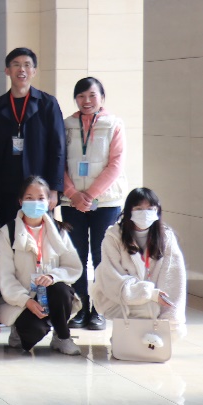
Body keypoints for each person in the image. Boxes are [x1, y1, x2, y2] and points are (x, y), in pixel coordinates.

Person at [61, 77, 128, 331]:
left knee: (102, 256)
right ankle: (80, 307)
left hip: (106, 203)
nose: (86, 101)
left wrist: (89, 195)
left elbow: (116, 164)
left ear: (102, 97)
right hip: (71, 202)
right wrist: (73, 193)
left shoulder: (114, 124)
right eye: (81, 96)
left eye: (92, 95)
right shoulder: (66, 125)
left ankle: (99, 309)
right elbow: (58, 161)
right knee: (76, 254)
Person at [0, 176, 84, 355]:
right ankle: (19, 329)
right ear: (20, 201)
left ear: (49, 201)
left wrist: (53, 277)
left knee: (61, 290)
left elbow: (73, 266)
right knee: (33, 332)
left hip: (51, 295)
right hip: (22, 299)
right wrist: (26, 301)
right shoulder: (8, 232)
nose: (35, 203)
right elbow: (6, 276)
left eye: (41, 198)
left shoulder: (58, 230)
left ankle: (62, 336)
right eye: (29, 198)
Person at [0, 47, 66, 223]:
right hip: (7, 189)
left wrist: (54, 189)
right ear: (7, 70)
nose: (22, 69)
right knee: (10, 234)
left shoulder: (48, 104)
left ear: (34, 71)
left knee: (39, 235)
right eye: (16, 64)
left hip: (39, 189)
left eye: (27, 65)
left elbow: (58, 148)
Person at [93, 188, 187, 339]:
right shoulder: (113, 237)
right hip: (117, 298)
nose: (145, 213)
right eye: (138, 209)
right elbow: (113, 279)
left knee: (155, 308)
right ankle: (127, 338)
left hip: (154, 299)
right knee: (148, 307)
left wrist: (171, 320)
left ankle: (138, 340)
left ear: (157, 210)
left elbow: (174, 279)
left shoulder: (166, 237)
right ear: (129, 211)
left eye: (150, 209)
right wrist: (149, 293)